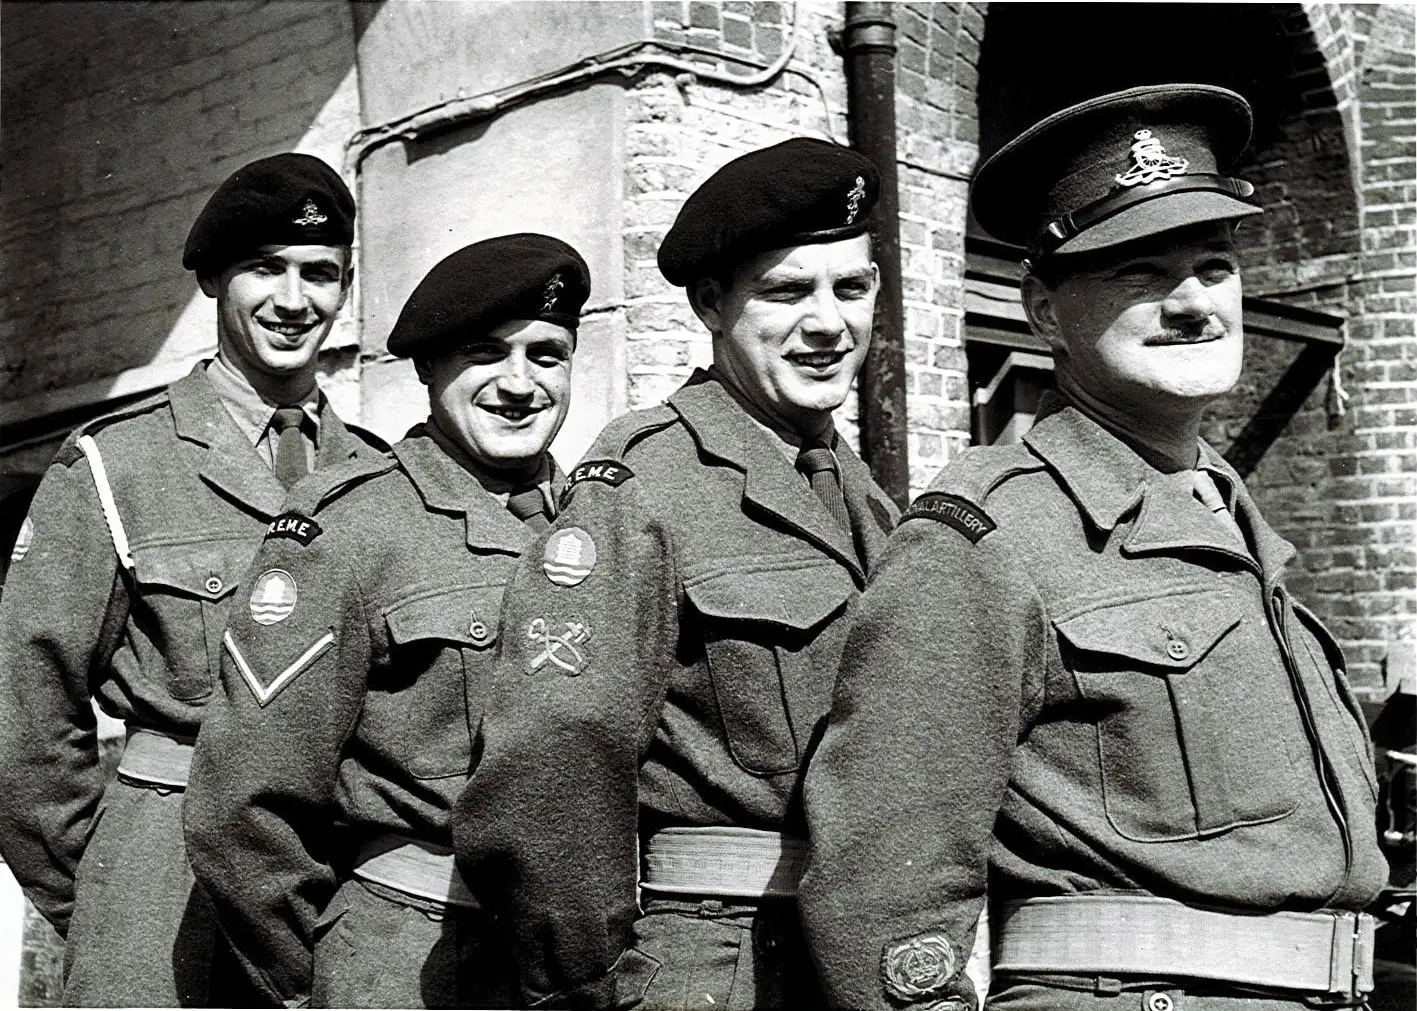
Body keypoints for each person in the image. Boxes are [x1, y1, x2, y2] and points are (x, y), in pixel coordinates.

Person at [799, 84, 1389, 1011]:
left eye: (1213, 265)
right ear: (1042, 309)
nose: (1193, 303)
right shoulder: (986, 533)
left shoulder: (1228, 517)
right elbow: (882, 876)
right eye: (1139, 274)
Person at [450, 137, 900, 1009]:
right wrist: (588, 985)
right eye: (784, 291)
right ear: (711, 303)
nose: (826, 323)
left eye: (849, 288)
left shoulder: (865, 497)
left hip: (847, 958)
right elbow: (553, 754)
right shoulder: (644, 480)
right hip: (712, 958)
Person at [0, 153, 384, 1007]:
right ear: (212, 279)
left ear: (346, 285)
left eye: (320, 273)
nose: (294, 300)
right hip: (166, 881)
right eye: (264, 269)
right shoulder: (116, 463)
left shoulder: (377, 473)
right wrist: (106, 886)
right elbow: (24, 714)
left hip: (332, 882)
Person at [183, 233, 590, 1008]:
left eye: (547, 355)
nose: (519, 383)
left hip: (583, 967)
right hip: (416, 953)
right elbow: (246, 805)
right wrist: (330, 980)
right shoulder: (354, 525)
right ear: (428, 368)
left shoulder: (609, 525)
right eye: (484, 353)